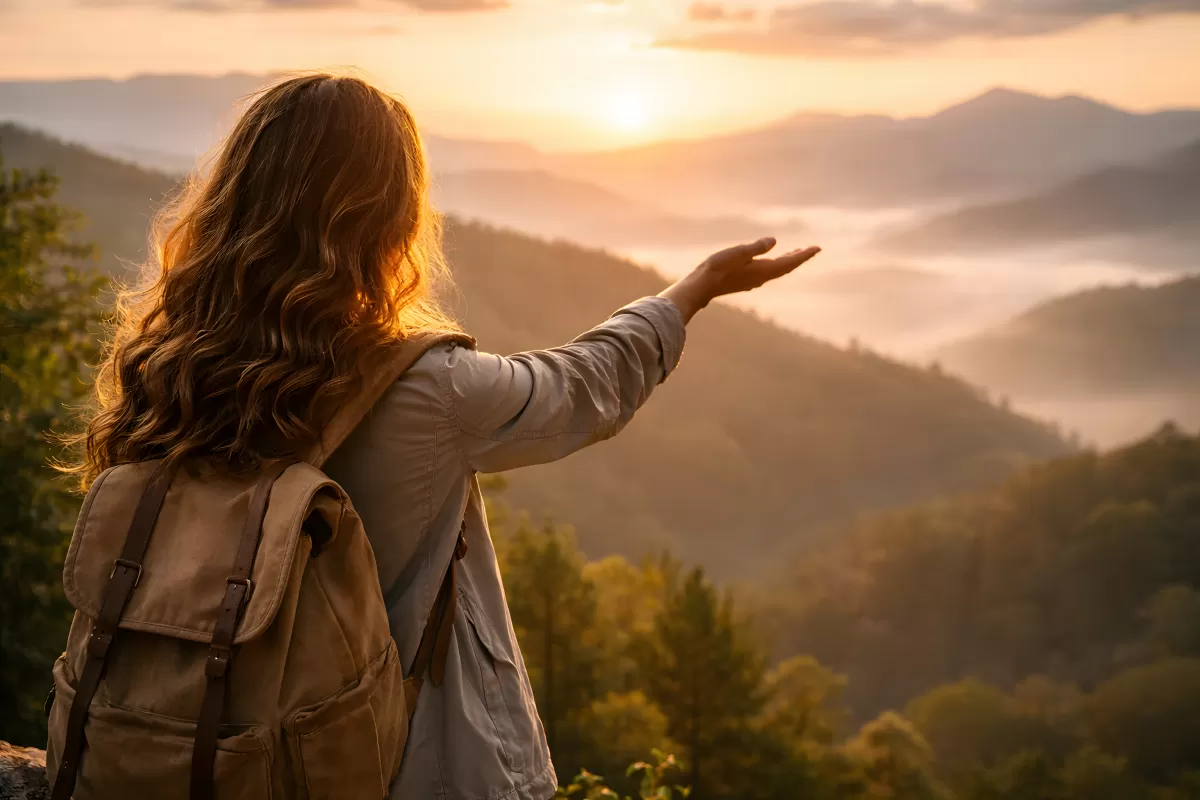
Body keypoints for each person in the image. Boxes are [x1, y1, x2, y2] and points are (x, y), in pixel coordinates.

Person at [69, 73, 820, 800]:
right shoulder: (425, 388)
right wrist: (689, 292)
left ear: (234, 200)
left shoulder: (166, 373)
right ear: (385, 220)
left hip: (195, 740)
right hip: (393, 768)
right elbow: (578, 386)